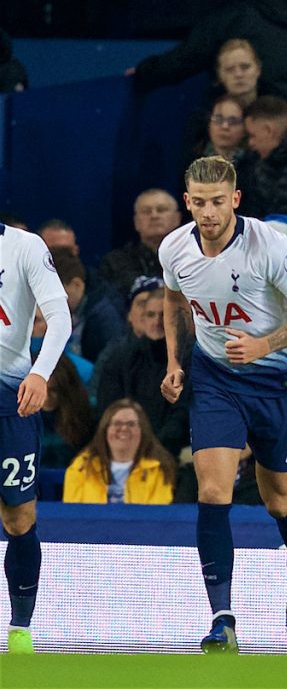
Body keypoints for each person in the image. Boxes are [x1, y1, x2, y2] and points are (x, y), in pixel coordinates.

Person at [159, 156, 287, 652]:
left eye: (217, 202)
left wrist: (265, 344)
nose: (207, 212)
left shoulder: (270, 246)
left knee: (281, 500)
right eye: (198, 202)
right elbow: (174, 300)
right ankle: (222, 620)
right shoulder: (174, 247)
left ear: (235, 200)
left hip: (276, 383)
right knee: (213, 492)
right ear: (187, 200)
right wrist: (175, 361)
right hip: (216, 378)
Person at [0, 218, 71, 654]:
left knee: (19, 517)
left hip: (10, 397)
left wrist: (41, 373)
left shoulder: (25, 247)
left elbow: (60, 316)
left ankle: (21, 628)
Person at [131, 0, 287, 110]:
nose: (239, 74)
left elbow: (187, 57)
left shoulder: (231, 16)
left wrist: (146, 72)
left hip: (246, 118)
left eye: (245, 67)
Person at [94, 287, 191, 455]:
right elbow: (109, 409)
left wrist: (155, 450)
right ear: (142, 320)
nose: (157, 322)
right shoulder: (120, 358)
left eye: (164, 315)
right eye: (151, 315)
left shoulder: (191, 359)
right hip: (126, 451)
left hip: (176, 452)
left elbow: (182, 415)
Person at [63, 399, 176, 504]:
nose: (124, 429)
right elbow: (71, 515)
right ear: (105, 430)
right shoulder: (81, 467)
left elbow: (158, 518)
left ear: (143, 431)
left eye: (131, 424)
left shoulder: (159, 469)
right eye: (117, 423)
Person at [99, 189, 181, 308]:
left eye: (161, 210)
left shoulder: (195, 257)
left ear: (177, 218)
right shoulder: (115, 262)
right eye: (146, 211)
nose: (154, 215)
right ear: (136, 222)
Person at [50, 247, 125, 364]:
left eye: (53, 293)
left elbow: (112, 365)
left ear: (77, 284)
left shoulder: (104, 317)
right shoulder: (79, 309)